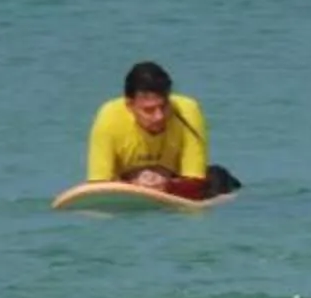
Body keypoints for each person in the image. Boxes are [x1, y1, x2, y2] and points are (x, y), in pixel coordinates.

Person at [83, 61, 239, 198]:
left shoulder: (188, 111)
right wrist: (134, 185)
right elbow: (98, 185)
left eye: (164, 107)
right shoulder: (108, 118)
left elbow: (196, 181)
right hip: (126, 183)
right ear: (130, 106)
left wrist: (166, 186)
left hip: (175, 183)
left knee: (219, 177)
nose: (159, 116)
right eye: (149, 110)